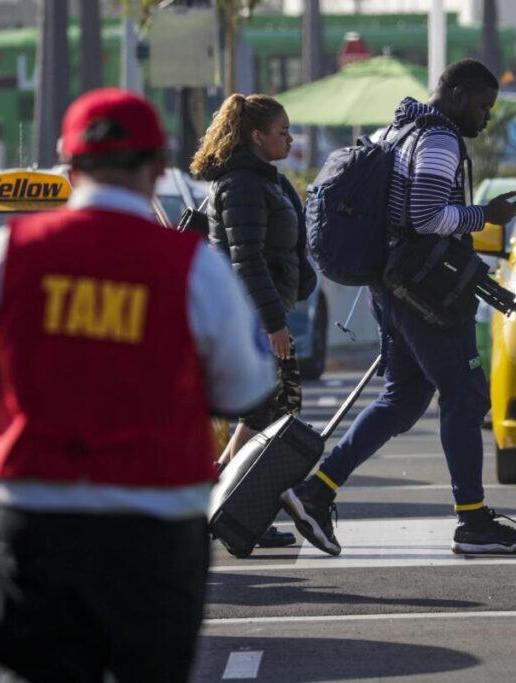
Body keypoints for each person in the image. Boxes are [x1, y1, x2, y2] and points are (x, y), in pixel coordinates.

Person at [0, 88, 276, 683]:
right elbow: (246, 388)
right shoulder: (192, 266)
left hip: (38, 519)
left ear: (70, 168)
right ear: (158, 168)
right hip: (154, 525)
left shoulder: (9, 253)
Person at [281, 59, 516, 556]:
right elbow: (425, 216)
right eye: (483, 106)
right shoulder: (440, 140)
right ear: (458, 95)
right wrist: (485, 214)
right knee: (464, 395)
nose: (486, 118)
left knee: (402, 399)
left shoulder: (398, 130)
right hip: (426, 294)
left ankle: (317, 491)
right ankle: (473, 521)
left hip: (391, 288)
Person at [191, 93, 317, 549]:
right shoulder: (242, 184)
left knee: (270, 410)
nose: (290, 140)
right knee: (274, 410)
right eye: (283, 132)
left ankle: (224, 496)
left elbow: (279, 249)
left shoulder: (265, 180)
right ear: (257, 136)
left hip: (262, 315)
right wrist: (272, 323)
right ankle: (228, 501)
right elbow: (246, 262)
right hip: (251, 318)